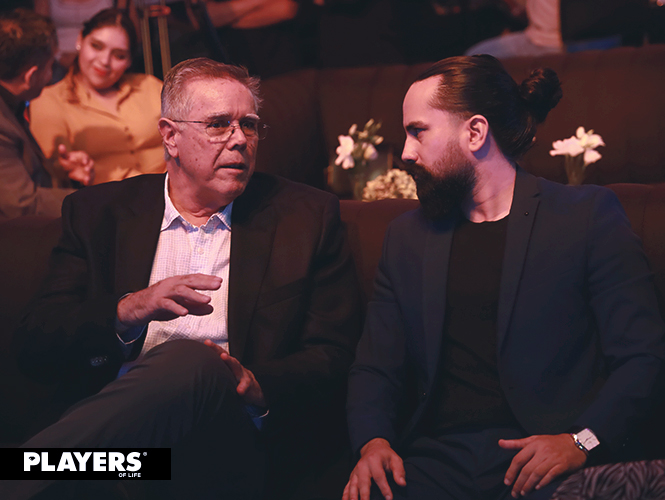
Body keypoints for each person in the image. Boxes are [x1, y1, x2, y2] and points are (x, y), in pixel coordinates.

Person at [7, 58, 361, 499]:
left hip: (231, 442)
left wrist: (257, 383)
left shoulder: (305, 218)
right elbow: (37, 342)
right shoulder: (99, 213)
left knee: (194, 360)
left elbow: (335, 353)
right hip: (128, 455)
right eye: (219, 124)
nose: (240, 140)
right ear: (170, 136)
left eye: (249, 125)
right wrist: (126, 310)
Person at [344, 55, 665, 500]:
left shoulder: (584, 217)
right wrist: (373, 442)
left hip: (548, 453)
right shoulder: (407, 237)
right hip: (436, 459)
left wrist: (581, 441)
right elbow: (376, 366)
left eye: (418, 131)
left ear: (475, 132)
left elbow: (643, 356)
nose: (406, 153)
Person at [29, 8, 165, 186]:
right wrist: (69, 167)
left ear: (130, 61)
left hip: (174, 191)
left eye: (119, 55)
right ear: (79, 40)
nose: (104, 61)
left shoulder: (149, 86)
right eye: (96, 46)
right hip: (108, 197)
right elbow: (55, 163)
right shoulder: (49, 100)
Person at [0, 8, 93, 221]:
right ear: (31, 76)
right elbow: (22, 205)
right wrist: (95, 200)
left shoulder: (11, 104)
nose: (51, 75)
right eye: (51, 65)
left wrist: (63, 174)